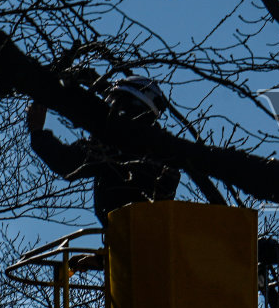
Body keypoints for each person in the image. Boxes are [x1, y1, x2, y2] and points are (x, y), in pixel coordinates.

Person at [26, 76, 180, 223]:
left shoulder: (116, 145)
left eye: (115, 104)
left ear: (129, 105)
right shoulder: (163, 150)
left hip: (127, 236)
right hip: (151, 239)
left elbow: (67, 162)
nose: (111, 110)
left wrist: (37, 132)